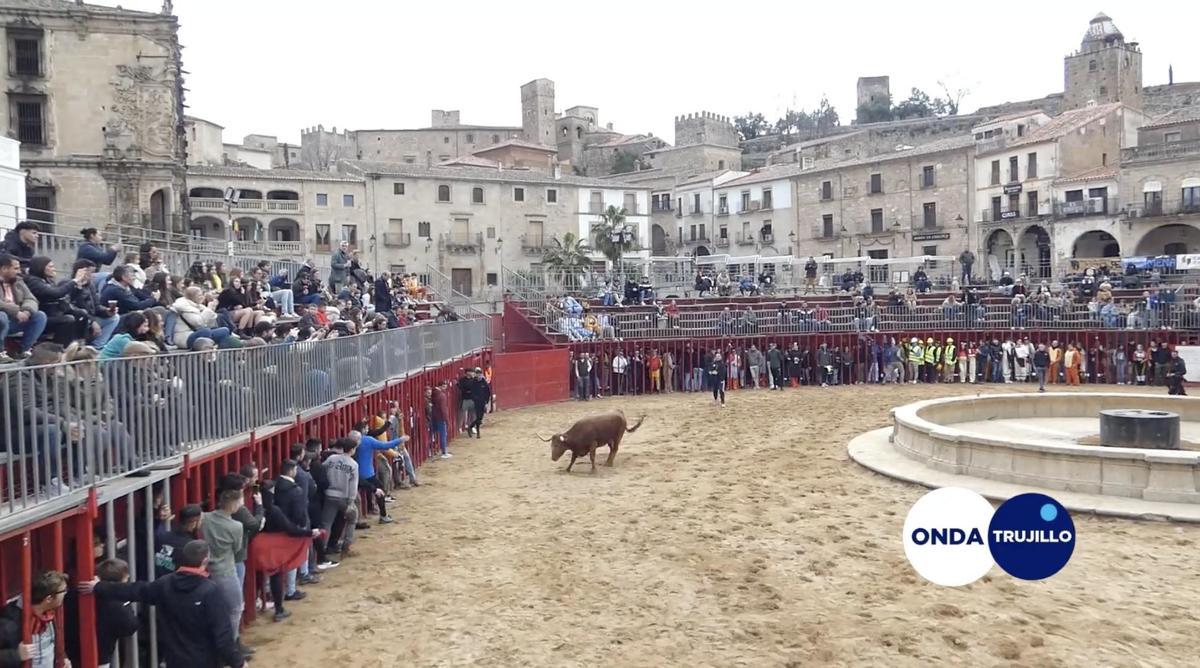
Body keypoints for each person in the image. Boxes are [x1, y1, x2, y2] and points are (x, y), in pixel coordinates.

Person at [84, 540, 245, 668]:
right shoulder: (210, 591)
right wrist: (237, 662)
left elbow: (134, 590)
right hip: (204, 661)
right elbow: (222, 634)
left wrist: (99, 587)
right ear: (204, 561)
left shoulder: (164, 584)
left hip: (175, 660)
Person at [199, 488, 246, 647]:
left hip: (205, 571)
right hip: (225, 571)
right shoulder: (236, 526)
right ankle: (230, 645)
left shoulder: (204, 517)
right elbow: (237, 549)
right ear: (233, 505)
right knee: (235, 609)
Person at [0, 570, 68, 668]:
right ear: (48, 599)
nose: (66, 594)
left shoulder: (49, 612)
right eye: (64, 591)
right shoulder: (9, 621)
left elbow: (53, 641)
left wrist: (62, 658)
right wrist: (16, 655)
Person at [25, 257, 93, 345]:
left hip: (56, 312)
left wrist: (79, 285)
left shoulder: (48, 280)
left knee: (81, 314)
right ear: (41, 267)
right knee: (67, 320)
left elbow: (66, 297)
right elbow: (55, 293)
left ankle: (78, 344)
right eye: (51, 266)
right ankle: (61, 348)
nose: (54, 269)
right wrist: (74, 281)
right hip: (43, 315)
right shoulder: (33, 281)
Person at [0, 253, 48, 362]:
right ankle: (0, 353)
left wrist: (27, 311)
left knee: (39, 315)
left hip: (14, 321)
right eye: (15, 268)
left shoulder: (18, 281)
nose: (19, 271)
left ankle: (23, 350)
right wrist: (16, 311)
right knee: (1, 316)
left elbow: (31, 299)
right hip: (2, 319)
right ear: (4, 269)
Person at [350, 429, 406, 523]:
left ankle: (360, 518)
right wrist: (400, 440)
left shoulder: (348, 444)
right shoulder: (367, 440)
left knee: (355, 498)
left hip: (353, 475)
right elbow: (385, 446)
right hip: (367, 474)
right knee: (379, 491)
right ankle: (383, 515)